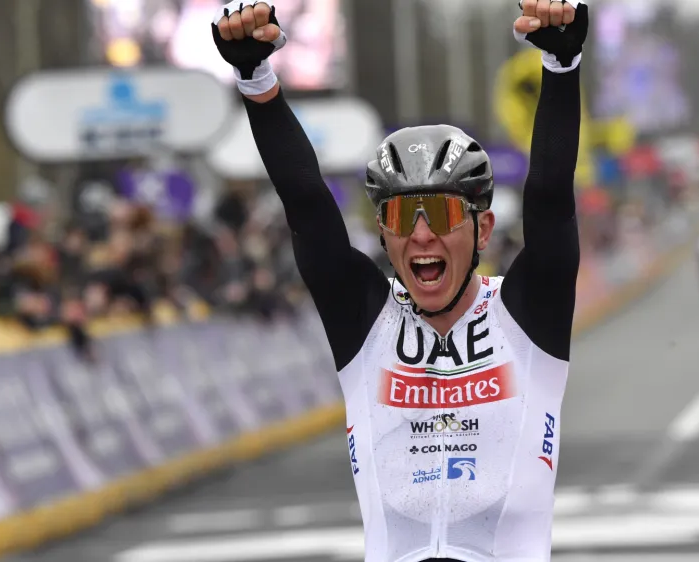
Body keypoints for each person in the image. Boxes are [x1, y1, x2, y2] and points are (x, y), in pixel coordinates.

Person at [212, 1, 587, 560]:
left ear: (482, 228)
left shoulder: (528, 315)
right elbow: (307, 205)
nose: (419, 236)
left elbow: (552, 198)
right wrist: (256, 81)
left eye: (437, 214)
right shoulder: (366, 322)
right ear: (382, 237)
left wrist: (561, 67)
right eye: (396, 217)